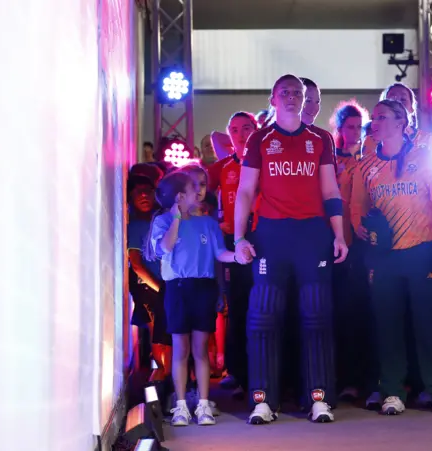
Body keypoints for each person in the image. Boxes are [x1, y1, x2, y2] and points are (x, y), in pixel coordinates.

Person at [233, 74, 348, 424]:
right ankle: (263, 400)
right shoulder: (260, 138)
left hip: (313, 235)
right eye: (285, 92)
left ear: (305, 99)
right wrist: (240, 238)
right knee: (264, 317)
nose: (291, 98)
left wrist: (339, 236)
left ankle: (319, 398)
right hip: (271, 235)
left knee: (317, 316)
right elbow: (246, 191)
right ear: (273, 98)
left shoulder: (321, 138)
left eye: (297, 93)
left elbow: (330, 191)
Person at [350, 99, 432, 416]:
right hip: (384, 258)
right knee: (388, 326)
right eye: (374, 118)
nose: (375, 123)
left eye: (382, 117)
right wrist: (361, 229)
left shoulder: (424, 157)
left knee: (429, 324)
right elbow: (357, 208)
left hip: (423, 250)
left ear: (401, 122)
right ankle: (392, 391)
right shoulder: (366, 165)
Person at [146, 169, 242, 426]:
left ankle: (202, 404)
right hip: (176, 287)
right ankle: (180, 406)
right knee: (180, 348)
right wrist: (177, 217)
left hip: (203, 286)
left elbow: (220, 253)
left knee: (200, 349)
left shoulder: (209, 223)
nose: (199, 191)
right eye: (193, 188)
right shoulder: (163, 222)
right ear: (179, 196)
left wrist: (238, 256)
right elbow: (164, 248)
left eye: (200, 186)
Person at [207, 111, 258, 398]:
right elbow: (194, 186)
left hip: (261, 239)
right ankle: (237, 372)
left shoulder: (264, 163)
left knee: (263, 307)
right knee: (236, 306)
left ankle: (266, 373)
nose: (240, 134)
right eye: (235, 129)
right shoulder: (223, 166)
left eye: (247, 128)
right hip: (232, 242)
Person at [328, 101, 373, 402]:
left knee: (366, 314)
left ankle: (368, 380)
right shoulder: (330, 160)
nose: (354, 132)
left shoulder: (370, 158)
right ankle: (344, 380)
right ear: (340, 129)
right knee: (340, 314)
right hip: (337, 242)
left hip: (365, 242)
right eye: (349, 127)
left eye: (359, 127)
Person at [127, 175, 173, 381]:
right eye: (138, 192)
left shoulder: (164, 219)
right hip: (150, 286)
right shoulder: (135, 226)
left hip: (167, 282)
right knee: (160, 331)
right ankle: (163, 375)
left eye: (148, 190)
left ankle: (167, 376)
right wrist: (160, 288)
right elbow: (136, 264)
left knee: (167, 331)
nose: (144, 195)